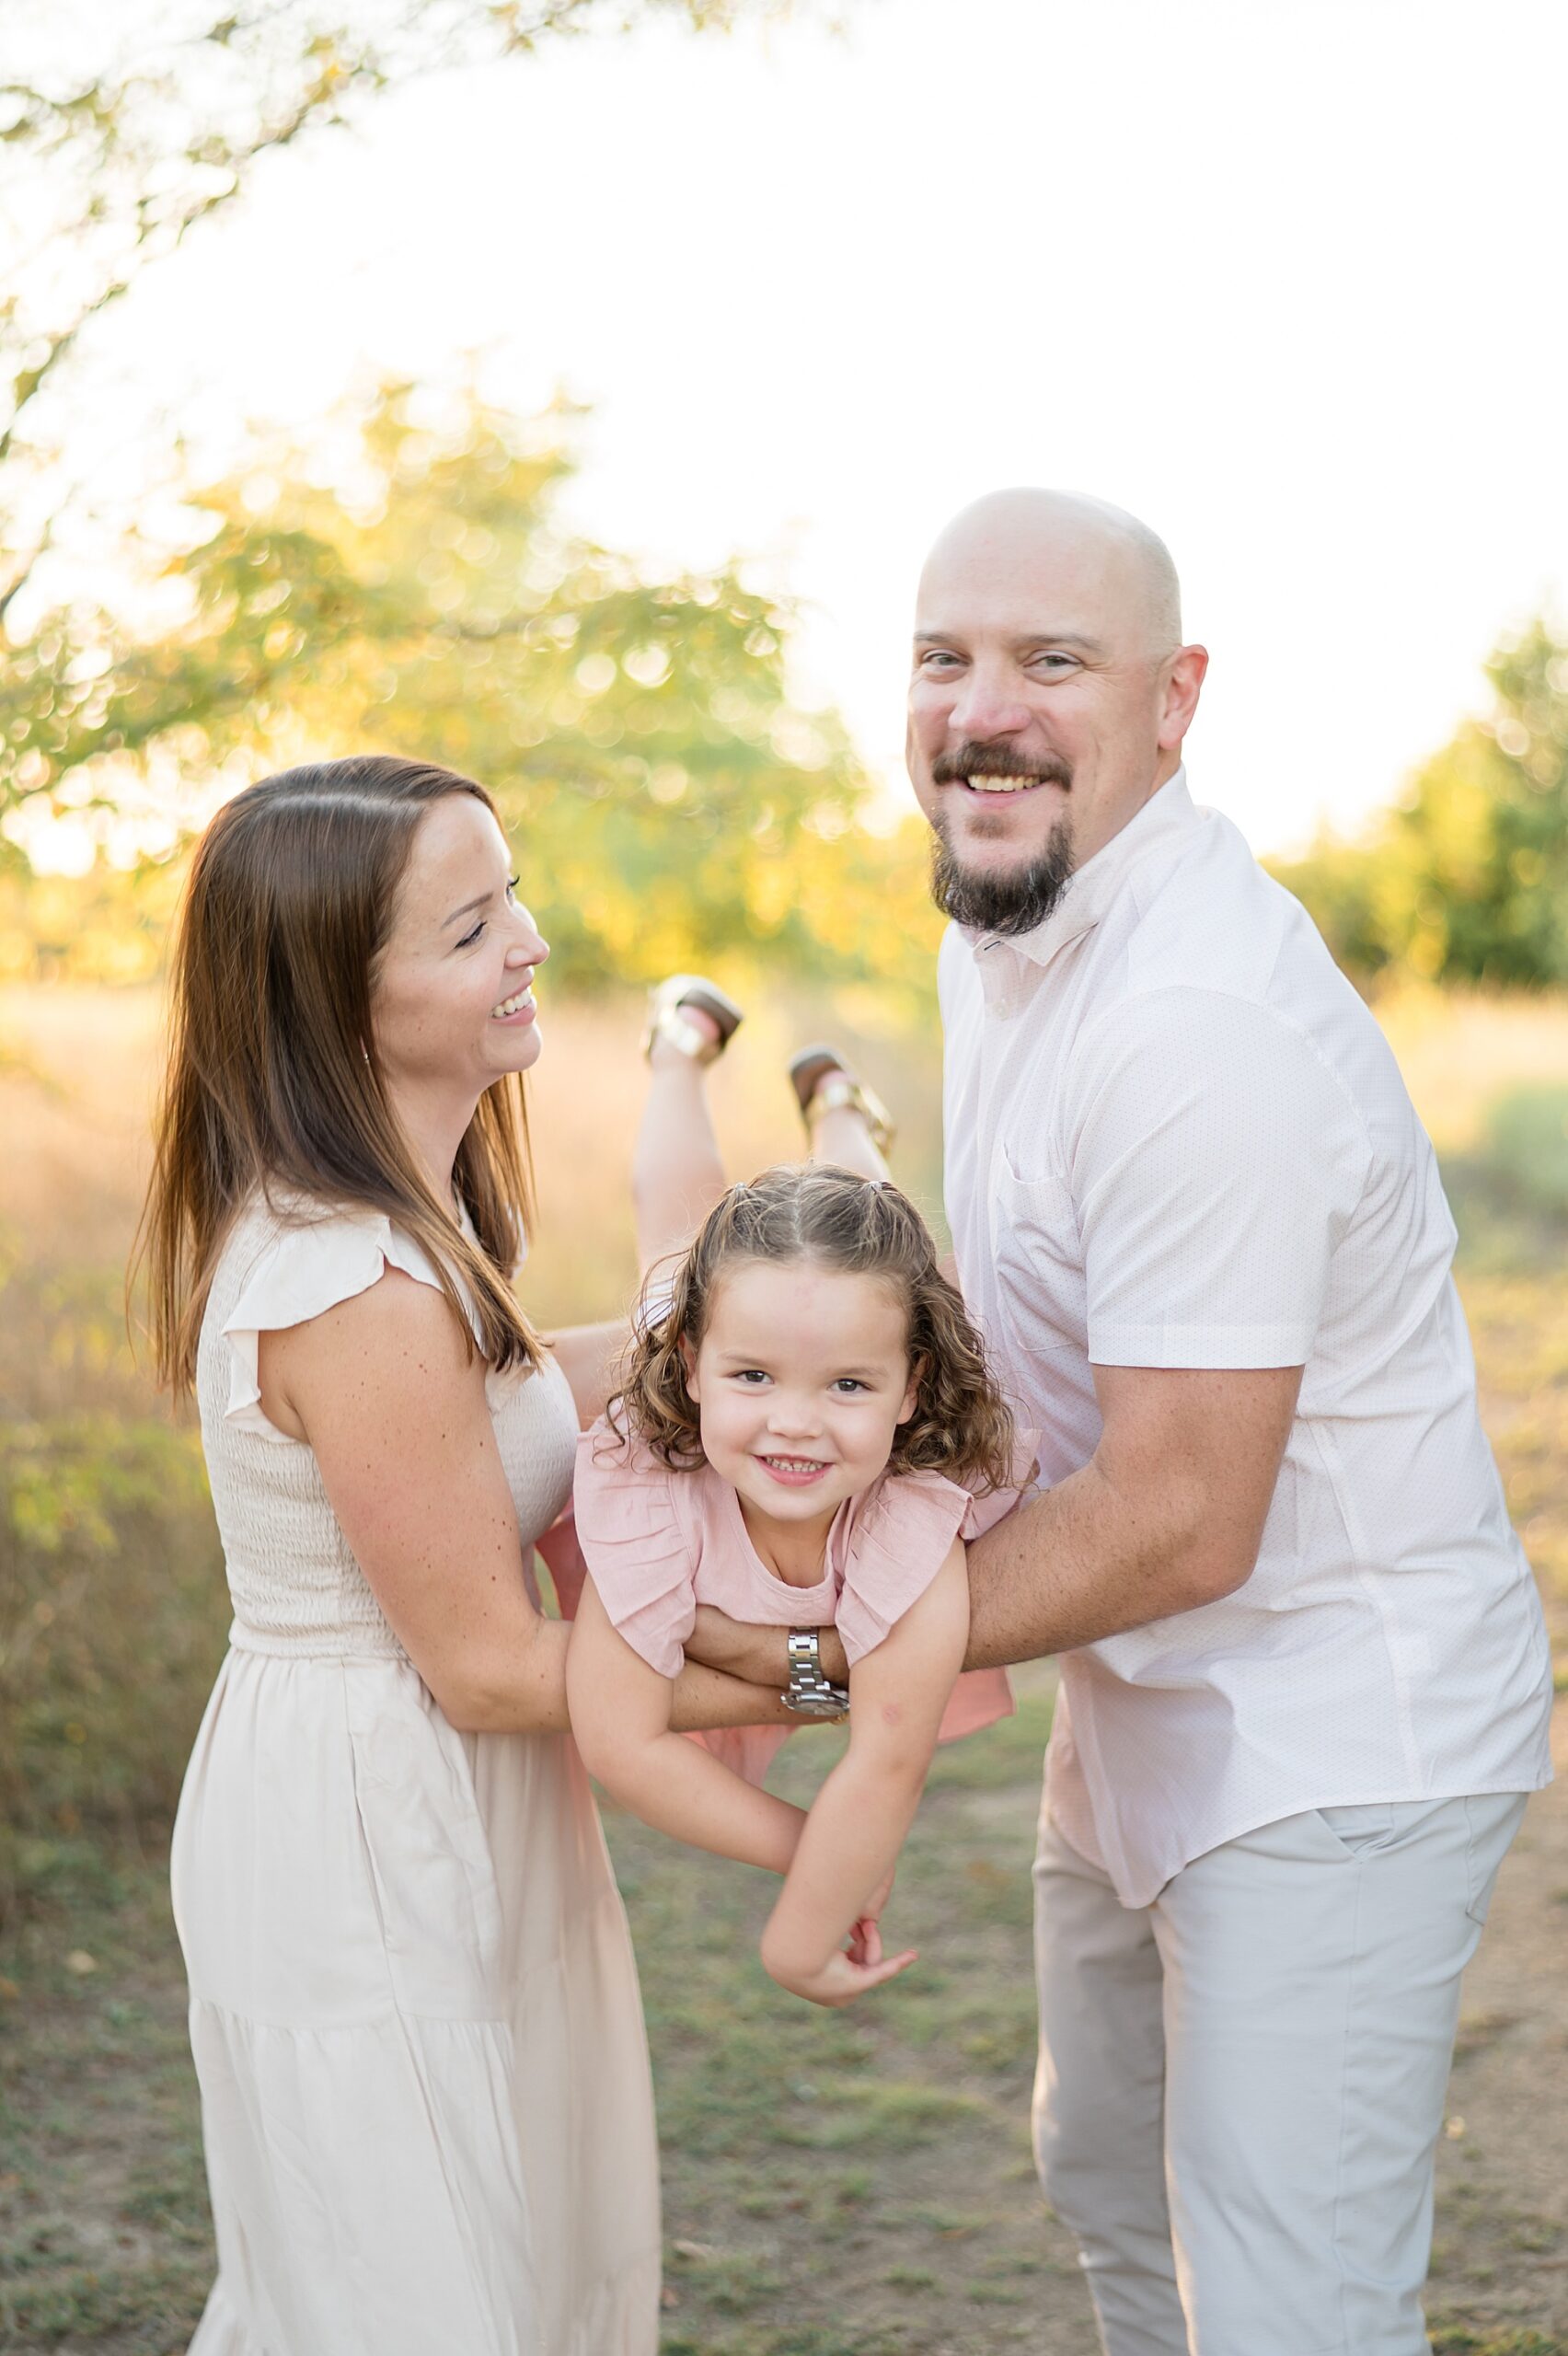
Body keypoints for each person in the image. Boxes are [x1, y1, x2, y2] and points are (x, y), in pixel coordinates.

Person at [687, 491, 1554, 2351]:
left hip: (1332, 1731)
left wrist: (797, 1662)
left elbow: (1176, 1513)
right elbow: (977, 1328)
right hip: (1142, 1693)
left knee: (1282, 2299)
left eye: (1049, 661)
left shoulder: (1193, 1029)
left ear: (1176, 699)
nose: (982, 708)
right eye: (944, 656)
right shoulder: (1010, 924)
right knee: (1111, 2193)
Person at [136, 755, 788, 2356]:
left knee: (506, 2252)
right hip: (369, 1824)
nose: (532, 945)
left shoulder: (409, 1227)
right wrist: (822, 1669)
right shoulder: (340, 1275)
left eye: (512, 900)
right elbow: (495, 1667)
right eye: (472, 928)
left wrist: (735, 1347)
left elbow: (496, 1402)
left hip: (455, 1806)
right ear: (341, 1007)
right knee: (409, 2295)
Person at [569, 988, 1026, 2004]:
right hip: (713, 1315)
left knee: (871, 1225)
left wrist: (809, 1921)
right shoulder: (656, 1483)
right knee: (675, 1233)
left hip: (827, 1307)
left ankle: (842, 1111)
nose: (795, 1424)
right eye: (752, 1381)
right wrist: (817, 1859)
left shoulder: (908, 1506)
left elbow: (890, 1746)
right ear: (692, 1368)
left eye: (853, 1388)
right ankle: (680, 1044)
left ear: (912, 1392)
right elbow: (621, 1737)